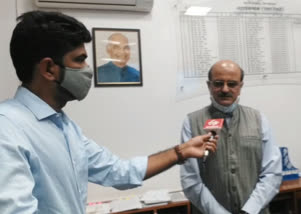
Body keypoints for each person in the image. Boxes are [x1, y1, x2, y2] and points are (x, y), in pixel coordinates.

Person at [0, 11, 218, 214]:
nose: (88, 69)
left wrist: (181, 151)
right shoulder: (7, 129)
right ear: (49, 69)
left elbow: (118, 171)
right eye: (79, 60)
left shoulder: (63, 126)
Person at [180, 60, 282, 214]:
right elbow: (191, 180)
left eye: (232, 84)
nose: (225, 89)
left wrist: (249, 210)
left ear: (240, 87)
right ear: (209, 86)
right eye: (218, 83)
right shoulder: (191, 122)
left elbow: (271, 173)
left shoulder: (259, 120)